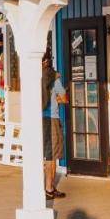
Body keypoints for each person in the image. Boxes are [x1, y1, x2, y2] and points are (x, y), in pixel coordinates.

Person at [42, 50, 68, 198]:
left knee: (46, 153)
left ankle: (49, 187)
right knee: (51, 154)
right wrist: (58, 99)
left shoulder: (35, 76)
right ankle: (49, 188)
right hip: (51, 118)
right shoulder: (54, 78)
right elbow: (64, 98)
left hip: (38, 118)